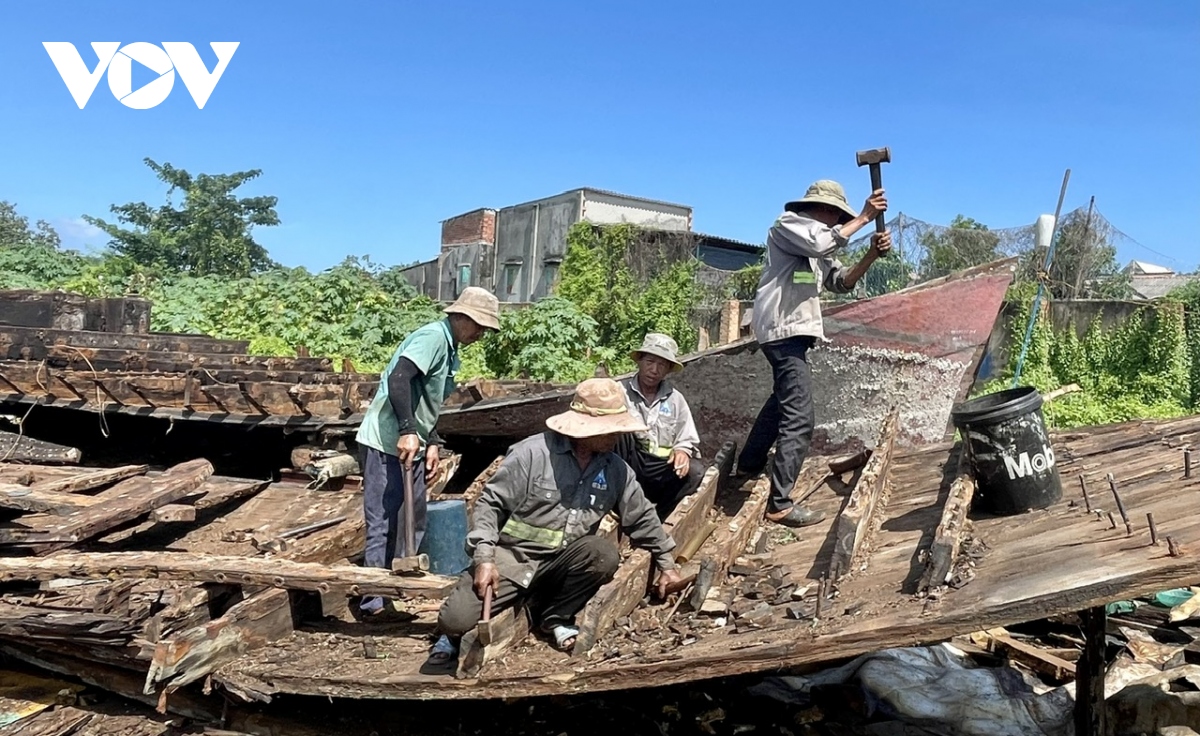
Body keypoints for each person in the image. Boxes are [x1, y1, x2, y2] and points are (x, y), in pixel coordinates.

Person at [426, 377, 683, 665]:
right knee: (454, 620)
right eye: (611, 430)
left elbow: (643, 517)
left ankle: (555, 615)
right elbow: (490, 505)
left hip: (562, 563)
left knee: (602, 553)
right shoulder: (532, 455)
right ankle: (452, 631)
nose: (616, 437)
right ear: (585, 429)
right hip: (512, 560)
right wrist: (485, 558)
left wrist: (666, 563)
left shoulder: (615, 470)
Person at [737, 180, 892, 528]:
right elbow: (822, 242)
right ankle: (780, 504)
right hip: (781, 330)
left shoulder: (818, 248)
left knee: (782, 401)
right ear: (822, 209)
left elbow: (842, 282)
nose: (837, 220)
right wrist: (866, 217)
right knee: (800, 416)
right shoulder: (789, 226)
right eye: (835, 214)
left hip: (793, 334)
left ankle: (748, 464)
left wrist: (870, 254)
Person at [354, 286, 501, 615]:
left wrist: (431, 439)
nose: (480, 334)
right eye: (479, 326)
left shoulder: (451, 350)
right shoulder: (432, 338)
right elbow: (399, 378)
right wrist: (407, 430)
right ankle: (373, 601)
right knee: (384, 520)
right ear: (461, 317)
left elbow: (426, 399)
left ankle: (397, 585)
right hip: (386, 440)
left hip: (414, 444)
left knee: (414, 518)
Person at [615, 332, 704, 519]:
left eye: (662, 364)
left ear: (668, 369)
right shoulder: (618, 391)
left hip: (658, 469)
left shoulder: (675, 399)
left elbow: (686, 437)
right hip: (627, 465)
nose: (654, 370)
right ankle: (618, 506)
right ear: (639, 361)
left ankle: (659, 516)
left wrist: (682, 452)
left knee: (695, 472)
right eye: (649, 362)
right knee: (621, 433)